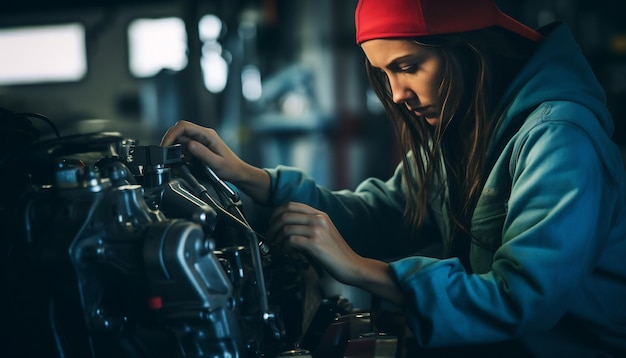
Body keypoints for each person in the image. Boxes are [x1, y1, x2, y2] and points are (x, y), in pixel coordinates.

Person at [161, 0, 626, 355]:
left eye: (407, 66)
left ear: (470, 49)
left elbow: (523, 298)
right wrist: (245, 175)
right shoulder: (467, 128)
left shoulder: (559, 138)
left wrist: (361, 270)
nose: (398, 93)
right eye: (385, 74)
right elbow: (385, 212)